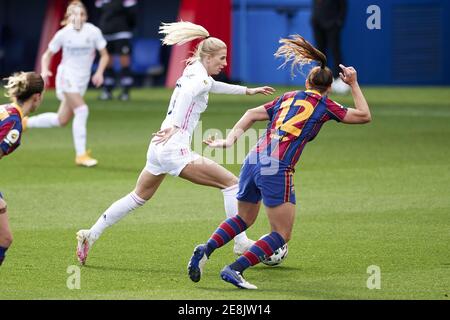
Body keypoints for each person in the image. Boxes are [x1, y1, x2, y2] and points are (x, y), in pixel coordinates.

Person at [75, 21, 275, 265]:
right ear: (208, 57)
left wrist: (248, 91)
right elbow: (191, 94)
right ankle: (241, 242)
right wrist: (177, 126)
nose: (224, 63)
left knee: (138, 197)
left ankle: (90, 234)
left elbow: (212, 86)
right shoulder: (197, 80)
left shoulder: (193, 70)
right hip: (174, 147)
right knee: (232, 185)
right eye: (221, 58)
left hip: (159, 148)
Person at [187, 35, 371, 289]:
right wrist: (353, 84)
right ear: (328, 88)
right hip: (277, 167)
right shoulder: (326, 105)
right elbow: (363, 116)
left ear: (307, 82)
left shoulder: (288, 97)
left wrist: (229, 141)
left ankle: (205, 249)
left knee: (244, 218)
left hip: (252, 159)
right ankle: (234, 269)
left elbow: (251, 113)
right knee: (281, 234)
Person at [25, 1, 109, 167]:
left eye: (82, 14)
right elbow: (47, 55)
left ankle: (26, 122)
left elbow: (105, 55)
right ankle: (81, 155)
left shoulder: (93, 32)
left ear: (86, 16)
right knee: (82, 110)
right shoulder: (63, 34)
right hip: (66, 76)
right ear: (68, 17)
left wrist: (99, 72)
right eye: (75, 14)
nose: (78, 17)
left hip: (81, 80)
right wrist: (45, 70)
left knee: (61, 120)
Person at [0, 72, 45, 266]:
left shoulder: (6, 110)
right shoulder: (13, 125)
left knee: (4, 238)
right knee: (3, 238)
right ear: (37, 97)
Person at [96, 0, 137, 101]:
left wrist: (126, 27)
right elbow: (100, 14)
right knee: (107, 61)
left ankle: (125, 92)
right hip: (106, 34)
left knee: (124, 62)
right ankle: (107, 91)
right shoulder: (102, 2)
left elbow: (132, 15)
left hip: (122, 33)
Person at [311, 0, 349, 94]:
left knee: (335, 51)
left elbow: (343, 6)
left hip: (332, 23)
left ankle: (339, 79)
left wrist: (339, 21)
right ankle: (320, 81)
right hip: (317, 23)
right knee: (319, 53)